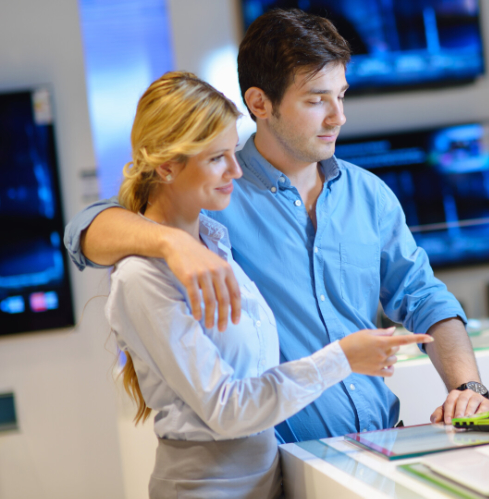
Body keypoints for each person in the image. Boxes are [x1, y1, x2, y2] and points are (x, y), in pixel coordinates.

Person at [66, 10, 489, 441]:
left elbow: (423, 296)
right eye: (316, 100)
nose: (338, 117)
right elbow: (85, 233)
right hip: (290, 465)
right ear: (259, 104)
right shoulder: (213, 198)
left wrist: (467, 386)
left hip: (384, 442)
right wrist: (172, 244)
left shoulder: (369, 195)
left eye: (341, 96)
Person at [109, 71, 432, 498]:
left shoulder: (215, 242)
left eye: (233, 152)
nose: (236, 170)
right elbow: (226, 410)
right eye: (217, 158)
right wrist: (341, 359)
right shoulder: (141, 278)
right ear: (167, 166)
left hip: (270, 480)